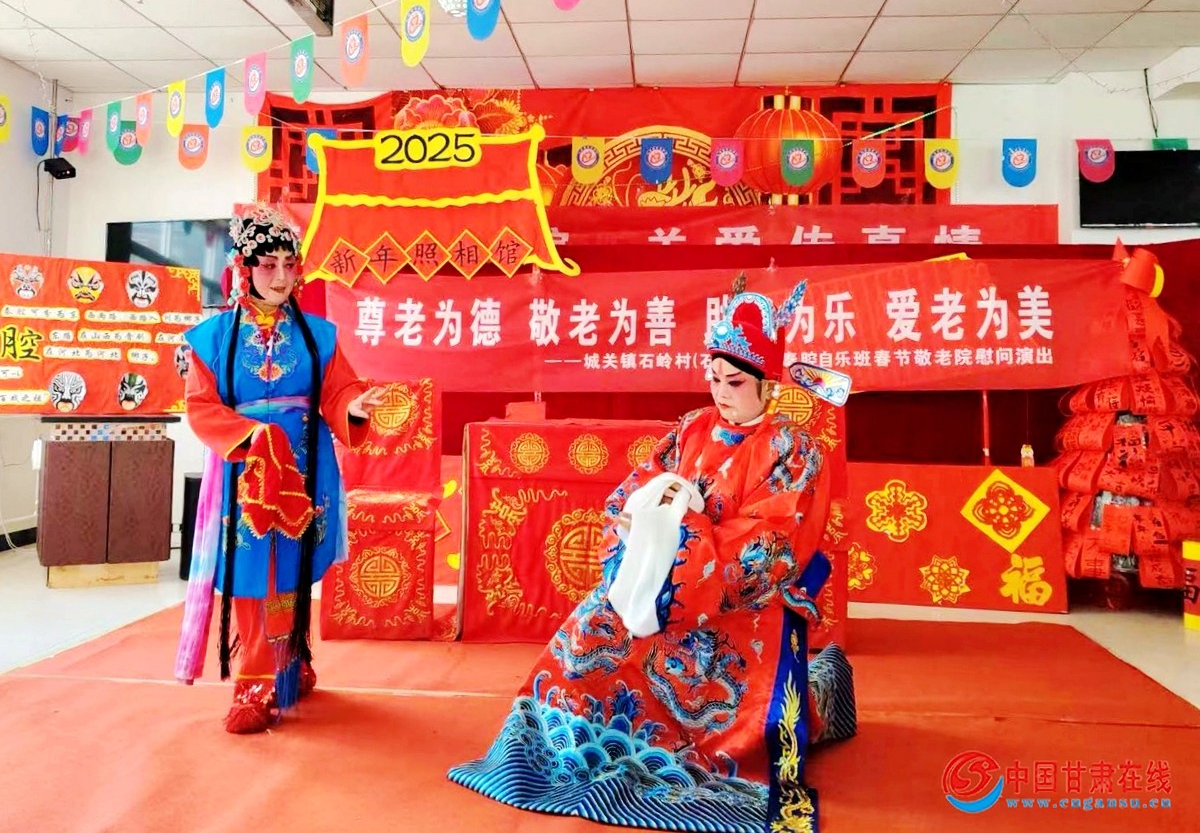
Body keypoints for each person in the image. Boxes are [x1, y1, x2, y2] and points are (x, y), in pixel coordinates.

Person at [449, 277, 857, 832]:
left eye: (735, 382)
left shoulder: (793, 450)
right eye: (713, 378)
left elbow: (771, 544)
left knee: (681, 668)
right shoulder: (692, 428)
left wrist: (685, 535)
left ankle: (795, 703)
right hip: (660, 583)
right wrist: (635, 525)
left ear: (768, 385)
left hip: (737, 604)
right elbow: (637, 486)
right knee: (588, 633)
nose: (720, 392)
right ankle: (561, 755)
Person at [174, 204, 384, 734]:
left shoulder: (319, 335)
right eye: (268, 265)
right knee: (251, 575)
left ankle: (289, 662)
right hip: (245, 469)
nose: (282, 276)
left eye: (290, 265)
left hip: (305, 465)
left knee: (289, 569)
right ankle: (255, 683)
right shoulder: (212, 338)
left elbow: (338, 391)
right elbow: (201, 407)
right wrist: (252, 437)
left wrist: (353, 406)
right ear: (243, 268)